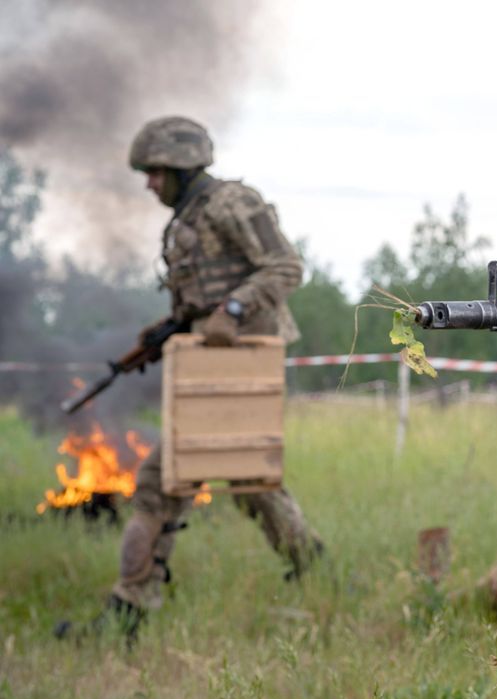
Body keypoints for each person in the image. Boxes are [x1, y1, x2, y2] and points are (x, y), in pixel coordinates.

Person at [57, 116, 323, 640]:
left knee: (172, 481)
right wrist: (168, 331)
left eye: (155, 172)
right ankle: (317, 573)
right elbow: (200, 300)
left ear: (181, 164)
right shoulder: (186, 220)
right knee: (247, 480)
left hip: (243, 365)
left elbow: (285, 267)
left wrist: (234, 307)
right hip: (208, 366)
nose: (150, 183)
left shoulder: (232, 203)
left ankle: (128, 613)